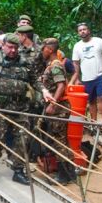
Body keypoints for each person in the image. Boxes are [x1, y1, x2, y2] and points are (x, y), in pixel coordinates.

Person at [0, 33, 51, 185]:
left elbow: (34, 80)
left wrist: (44, 91)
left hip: (20, 107)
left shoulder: (25, 61)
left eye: (15, 48)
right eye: (10, 47)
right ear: (3, 46)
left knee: (22, 138)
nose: (13, 51)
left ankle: (18, 170)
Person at [39, 38, 75, 184]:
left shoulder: (55, 65)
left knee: (58, 140)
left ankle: (63, 175)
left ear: (50, 50)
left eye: (44, 49)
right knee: (62, 140)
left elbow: (61, 85)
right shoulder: (51, 65)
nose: (42, 52)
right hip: (58, 107)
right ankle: (70, 172)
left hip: (59, 108)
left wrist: (53, 103)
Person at [70, 22, 102, 124]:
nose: (82, 31)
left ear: (89, 30)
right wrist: (77, 78)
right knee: (91, 101)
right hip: (86, 78)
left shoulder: (99, 41)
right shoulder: (77, 46)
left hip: (100, 75)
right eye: (80, 30)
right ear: (78, 33)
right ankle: (94, 124)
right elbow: (76, 63)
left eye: (84, 29)